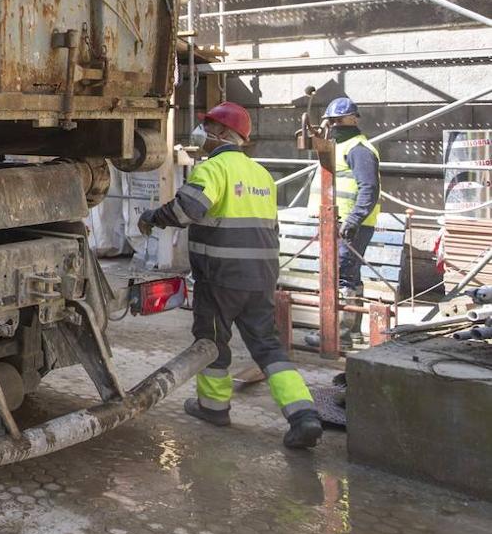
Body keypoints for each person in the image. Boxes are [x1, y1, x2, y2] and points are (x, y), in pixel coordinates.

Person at [139, 101, 323, 449]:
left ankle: (213, 408)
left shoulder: (214, 169)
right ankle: (304, 416)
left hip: (221, 277)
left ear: (223, 133)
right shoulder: (262, 175)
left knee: (211, 342)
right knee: (267, 346)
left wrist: (152, 216)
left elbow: (186, 210)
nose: (202, 133)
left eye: (209, 126)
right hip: (262, 276)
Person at [309, 97, 380, 341]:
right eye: (332, 120)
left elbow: (369, 188)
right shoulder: (337, 147)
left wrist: (353, 220)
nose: (335, 125)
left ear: (354, 119)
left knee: (342, 274)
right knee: (347, 273)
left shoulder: (359, 149)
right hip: (335, 221)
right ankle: (350, 332)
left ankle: (337, 332)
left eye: (340, 120)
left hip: (351, 224)